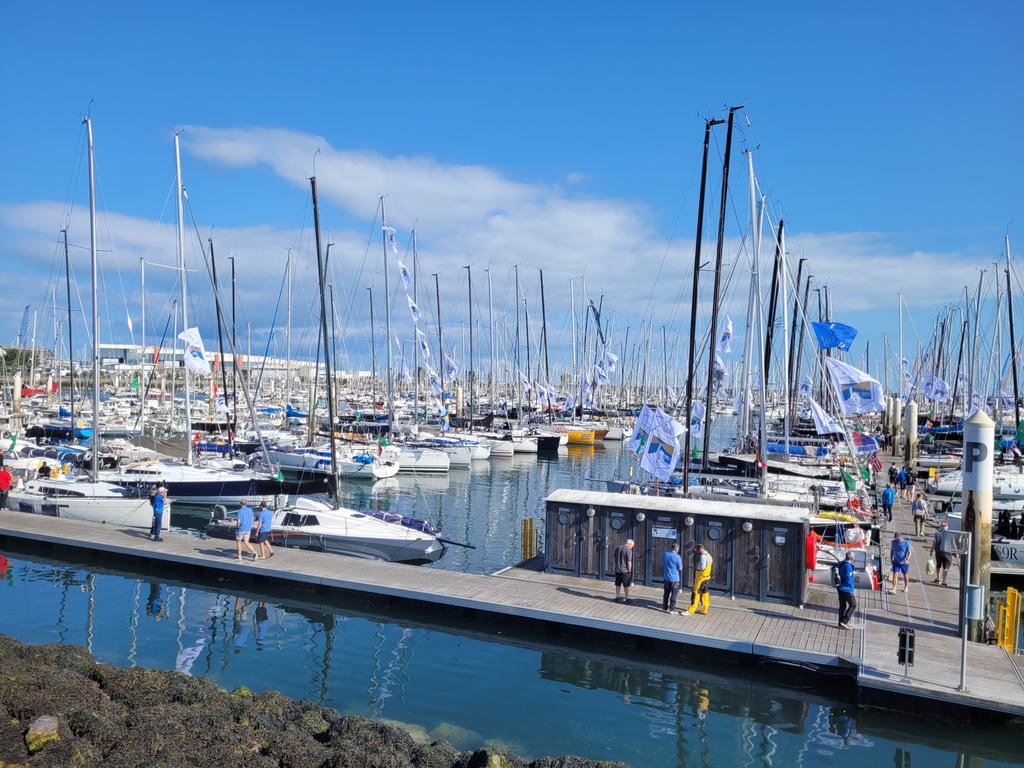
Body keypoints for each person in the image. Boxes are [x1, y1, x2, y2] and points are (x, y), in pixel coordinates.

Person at [688, 544, 713, 616]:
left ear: (700, 549)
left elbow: (702, 567)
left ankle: (691, 610)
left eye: (697, 550)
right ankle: (704, 610)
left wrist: (695, 568)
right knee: (705, 593)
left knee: (696, 593)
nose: (697, 552)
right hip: (706, 578)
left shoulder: (703, 556)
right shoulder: (709, 556)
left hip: (700, 578)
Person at [931, 521, 957, 586]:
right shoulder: (951, 535)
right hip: (947, 553)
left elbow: (934, 543)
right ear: (947, 527)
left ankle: (938, 578)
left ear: (941, 527)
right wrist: (956, 552)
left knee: (938, 565)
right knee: (946, 568)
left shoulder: (937, 534)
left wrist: (931, 550)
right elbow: (954, 544)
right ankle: (944, 581)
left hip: (939, 552)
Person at [836, 551, 857, 629]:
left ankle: (840, 623)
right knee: (853, 604)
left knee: (842, 606)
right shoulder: (848, 566)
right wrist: (853, 579)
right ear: (852, 558)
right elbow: (848, 579)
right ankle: (844, 621)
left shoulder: (842, 563)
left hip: (840, 588)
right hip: (846, 589)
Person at [661, 543, 683, 613]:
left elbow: (663, 563)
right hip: (675, 579)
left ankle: (664, 607)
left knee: (666, 593)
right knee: (674, 594)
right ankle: (672, 609)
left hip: (666, 578)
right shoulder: (677, 557)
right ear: (677, 548)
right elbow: (680, 568)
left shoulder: (665, 554)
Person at [612, 539, 635, 603]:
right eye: (632, 546)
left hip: (617, 570)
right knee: (626, 585)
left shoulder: (618, 548)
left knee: (617, 584)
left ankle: (617, 597)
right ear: (629, 544)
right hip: (625, 571)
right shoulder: (629, 550)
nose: (632, 547)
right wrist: (629, 570)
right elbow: (629, 561)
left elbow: (614, 556)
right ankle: (627, 598)